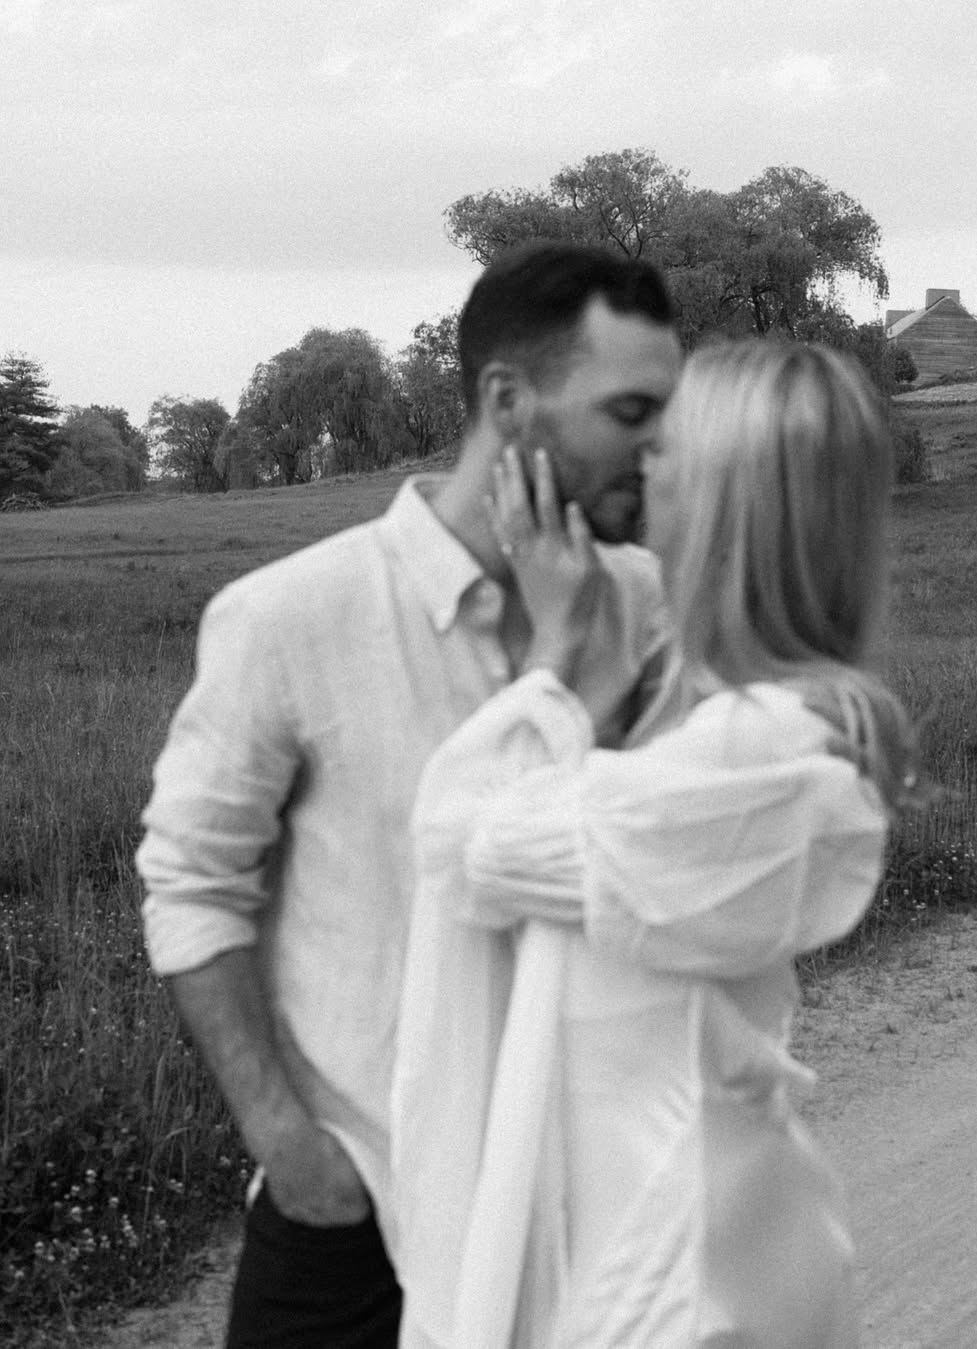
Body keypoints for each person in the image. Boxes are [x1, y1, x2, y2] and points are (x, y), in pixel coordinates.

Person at [135, 240, 685, 1348]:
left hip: (589, 1201)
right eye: (631, 410)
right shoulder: (289, 617)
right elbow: (191, 884)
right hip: (355, 1211)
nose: (663, 447)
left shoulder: (650, 605)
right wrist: (289, 1143)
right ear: (506, 399)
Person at [394, 340, 923, 1348]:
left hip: (690, 1276)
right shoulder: (727, 728)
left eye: (667, 446)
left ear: (732, 494)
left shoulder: (768, 750)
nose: (640, 465)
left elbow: (470, 842)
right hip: (682, 1239)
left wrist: (553, 658)